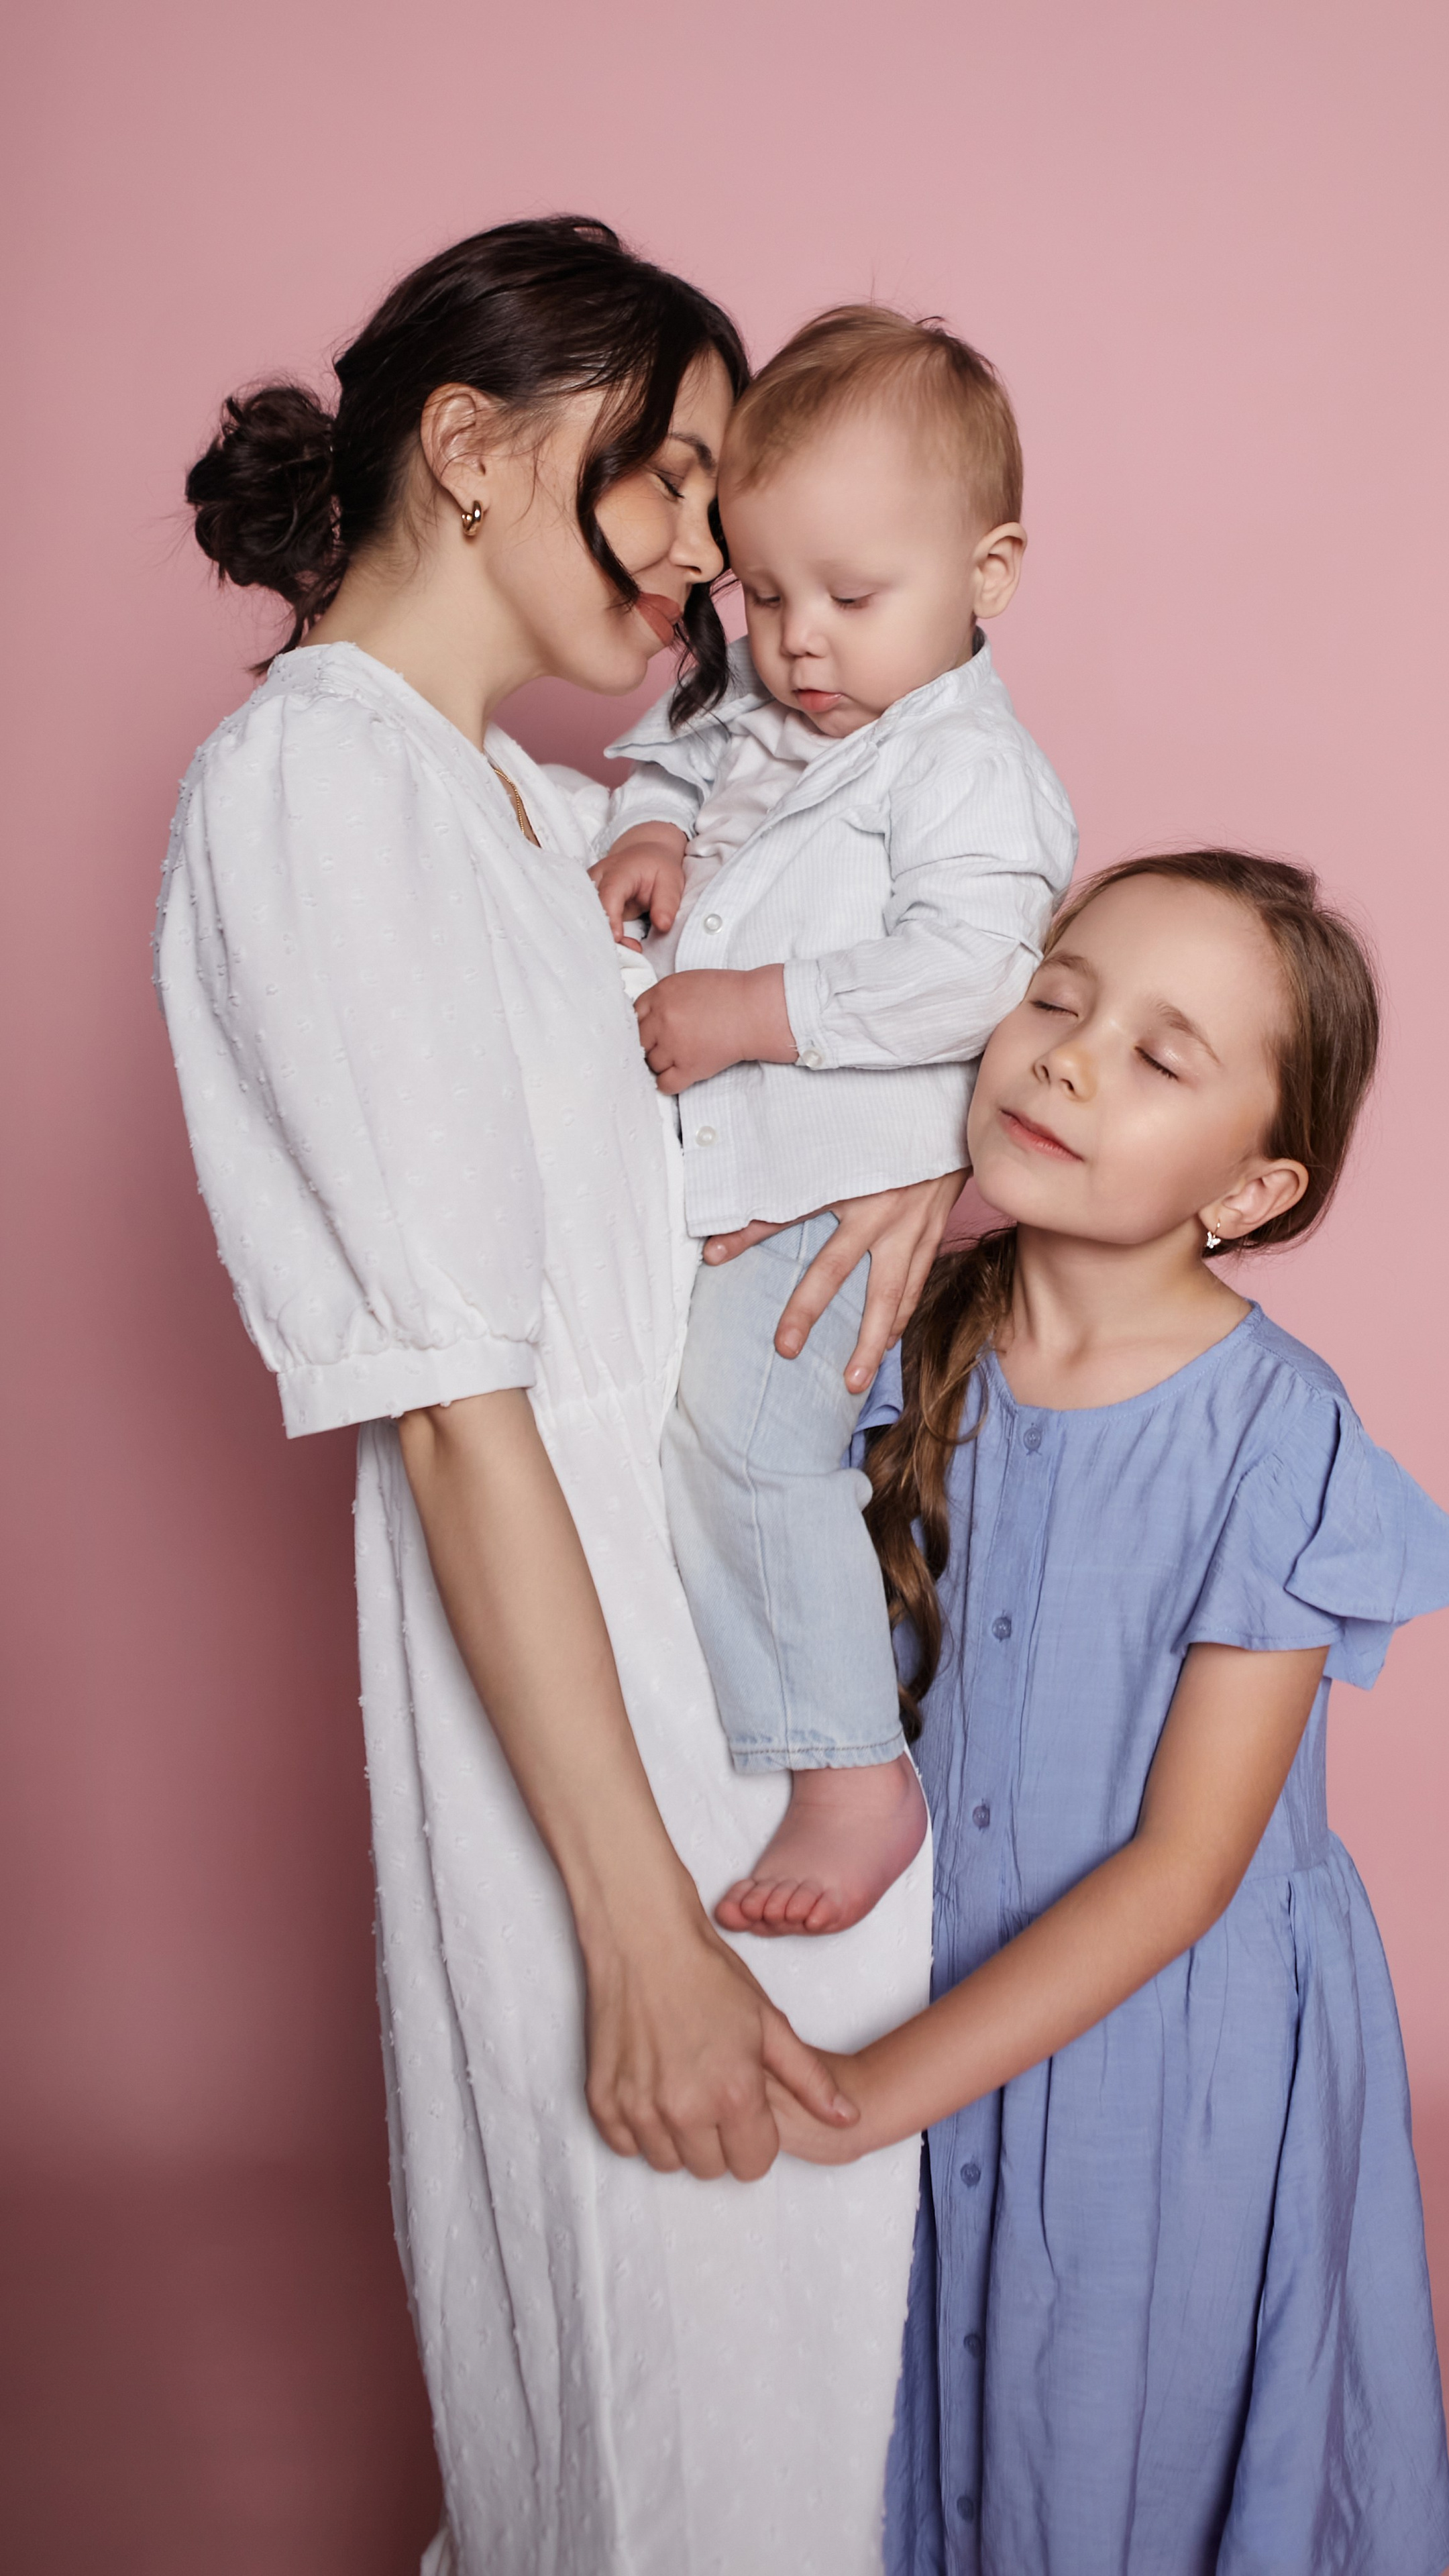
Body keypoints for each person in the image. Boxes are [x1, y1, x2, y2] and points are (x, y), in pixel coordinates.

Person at [156, 217, 948, 2576]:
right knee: (656, 2412)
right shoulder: (317, 787)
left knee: (798, 2398)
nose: (712, 546)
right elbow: (452, 1403)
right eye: (673, 472)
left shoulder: (520, 800)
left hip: (734, 1650)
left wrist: (921, 1171)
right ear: (472, 446)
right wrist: (639, 1930)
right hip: (587, 1702)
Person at [767, 853, 1449, 2574]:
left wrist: (873, 2095)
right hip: (915, 1977)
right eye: (1054, 1000)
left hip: (1167, 2063)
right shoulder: (896, 1342)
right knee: (894, 2455)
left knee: (1108, 2464)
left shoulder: (1276, 1434)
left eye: (1160, 1058)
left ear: (1250, 1188)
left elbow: (1184, 1871)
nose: (1069, 1060)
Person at [588, 308, 1077, 1938]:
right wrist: (651, 828)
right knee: (689, 1440)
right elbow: (681, 748)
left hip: (838, 1182)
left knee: (749, 1440)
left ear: (986, 573)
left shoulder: (967, 768)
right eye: (760, 592)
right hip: (731, 1174)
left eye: (851, 601)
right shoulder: (778, 696)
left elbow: (972, 971)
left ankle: (850, 1769)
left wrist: (752, 1009)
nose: (798, 644)